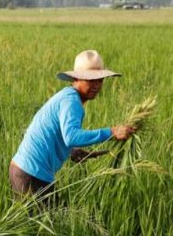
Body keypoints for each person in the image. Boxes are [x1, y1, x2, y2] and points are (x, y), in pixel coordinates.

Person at [10, 49, 135, 200]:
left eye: (100, 80)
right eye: (91, 80)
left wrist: (71, 151)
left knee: (50, 219)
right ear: (76, 79)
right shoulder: (72, 102)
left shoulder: (67, 96)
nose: (96, 85)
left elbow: (56, 132)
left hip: (24, 170)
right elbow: (71, 136)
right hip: (31, 173)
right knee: (54, 220)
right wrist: (112, 132)